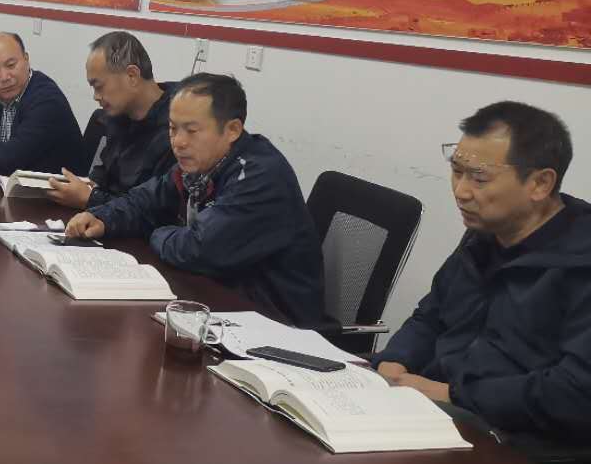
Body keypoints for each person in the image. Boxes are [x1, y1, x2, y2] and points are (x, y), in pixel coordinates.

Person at [372, 102, 591, 443]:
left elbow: (574, 393)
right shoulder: (486, 234)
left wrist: (452, 394)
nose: (461, 191)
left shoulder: (579, 261)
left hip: (513, 444)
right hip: (434, 414)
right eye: (457, 171)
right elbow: (431, 317)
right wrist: (394, 362)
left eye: (479, 178)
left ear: (540, 183)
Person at [65, 73, 326, 328]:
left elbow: (197, 249)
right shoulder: (200, 164)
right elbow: (145, 199)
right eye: (172, 128)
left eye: (191, 130)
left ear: (232, 130)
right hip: (220, 305)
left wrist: (155, 231)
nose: (178, 142)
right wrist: (103, 217)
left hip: (278, 323)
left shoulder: (260, 176)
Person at [48, 31, 178, 209]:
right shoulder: (119, 116)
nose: (96, 96)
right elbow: (102, 178)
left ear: (132, 75)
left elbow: (152, 210)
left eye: (99, 86)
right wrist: (87, 188)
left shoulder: (176, 128)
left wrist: (90, 199)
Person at [0, 31, 83, 174]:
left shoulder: (47, 99)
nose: (4, 77)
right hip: (3, 184)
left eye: (11, 65)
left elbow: (11, 161)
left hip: (51, 186)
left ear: (26, 59)